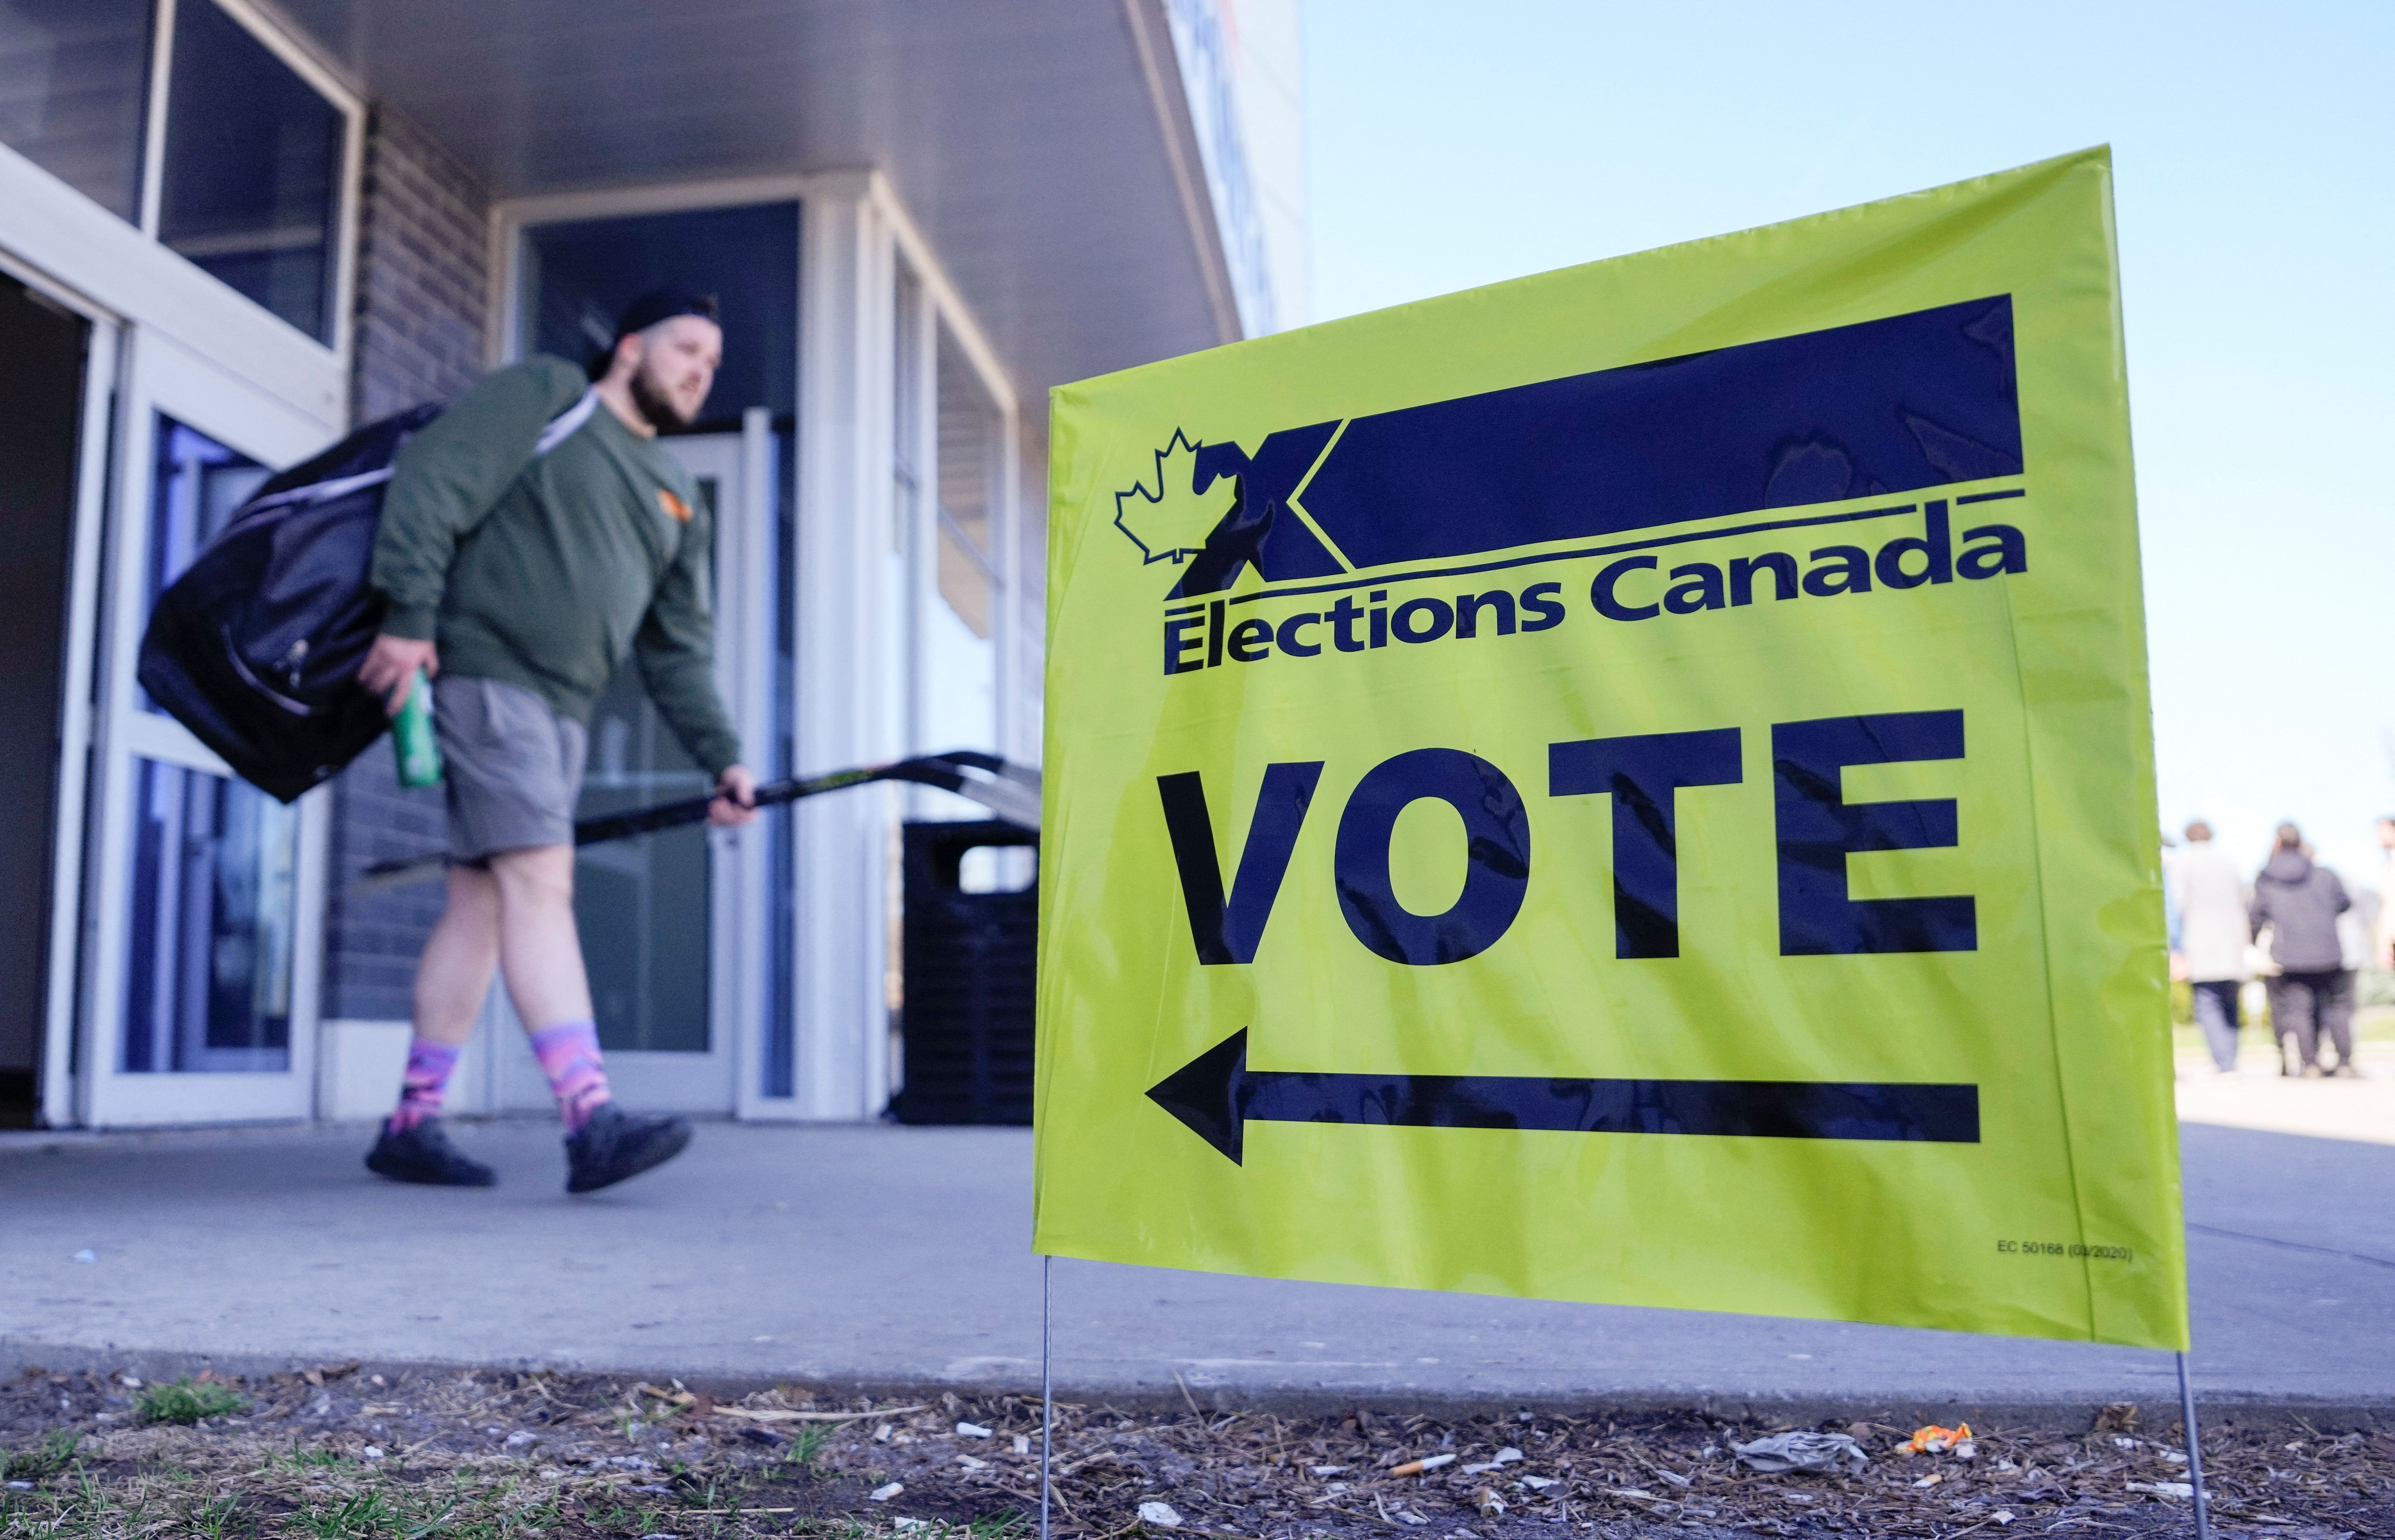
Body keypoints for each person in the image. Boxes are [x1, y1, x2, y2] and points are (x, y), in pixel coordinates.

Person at [356, 289, 758, 1190]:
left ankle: (412, 1122)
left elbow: (679, 656)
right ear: (629, 347)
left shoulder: (680, 499)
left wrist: (722, 757)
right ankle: (590, 1117)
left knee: (483, 902)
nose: (701, 370)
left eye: (712, 362)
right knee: (541, 881)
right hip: (490, 675)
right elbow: (436, 478)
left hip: (563, 713)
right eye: (687, 347)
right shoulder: (552, 396)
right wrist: (412, 613)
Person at [2249, 822, 2355, 1077]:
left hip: (2290, 954)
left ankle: (2310, 1065)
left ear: (2278, 843)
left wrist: (2255, 940)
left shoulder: (2268, 879)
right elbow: (2344, 903)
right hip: (2328, 951)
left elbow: (2256, 915)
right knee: (2337, 1007)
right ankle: (2344, 1063)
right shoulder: (2325, 875)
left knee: (2299, 1009)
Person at [2169, 820, 2250, 1073]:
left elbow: (2176, 907)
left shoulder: (2182, 864)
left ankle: (2224, 1062)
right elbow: (2244, 901)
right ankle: (2231, 1058)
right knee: (2230, 1003)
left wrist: (2176, 948)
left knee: (2207, 1003)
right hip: (2233, 942)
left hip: (2200, 943)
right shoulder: (2229, 863)